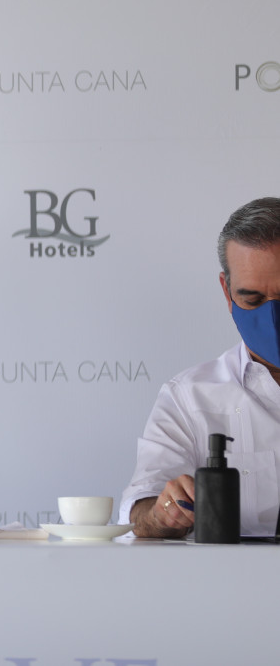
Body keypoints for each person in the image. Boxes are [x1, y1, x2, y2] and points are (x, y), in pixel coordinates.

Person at [121, 197, 280, 538]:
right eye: (252, 300)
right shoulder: (189, 396)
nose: (271, 317)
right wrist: (164, 513)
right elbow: (141, 511)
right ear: (226, 291)